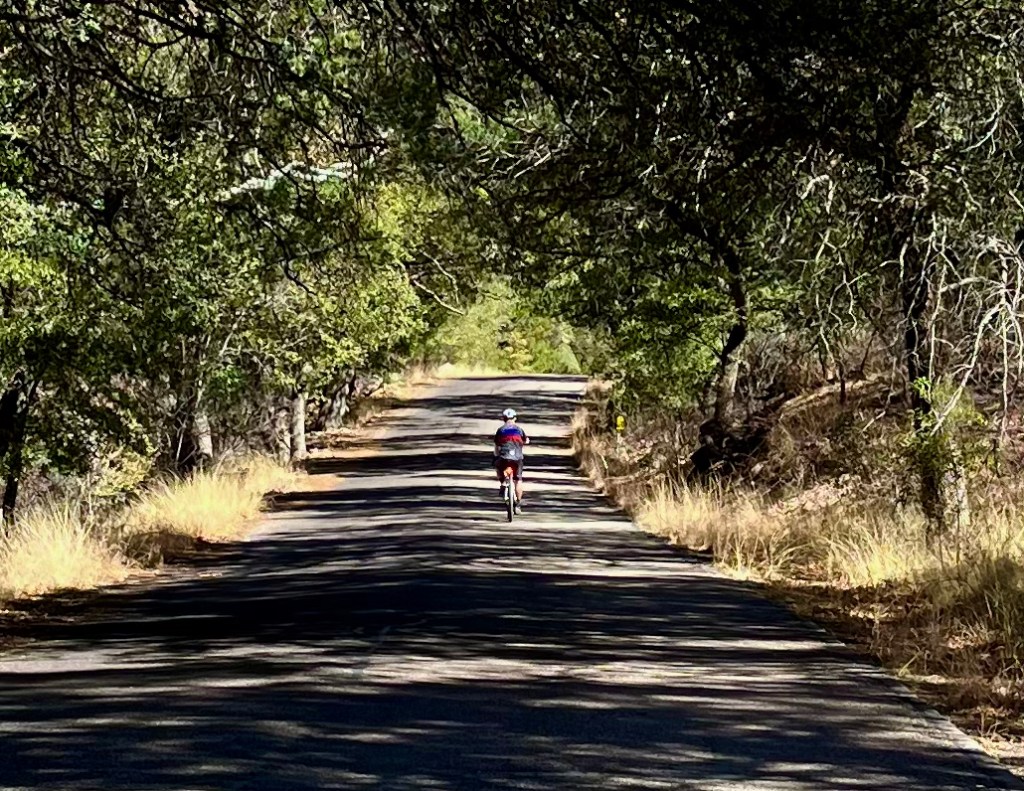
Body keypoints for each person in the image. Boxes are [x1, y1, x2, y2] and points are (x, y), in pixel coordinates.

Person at [494, 408, 529, 512]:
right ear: (515, 418)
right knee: (518, 480)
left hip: (504, 457)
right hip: (517, 458)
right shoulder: (519, 430)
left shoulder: (500, 430)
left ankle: (503, 482)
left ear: (504, 419)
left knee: (498, 465)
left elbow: (496, 446)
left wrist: (496, 456)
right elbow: (525, 440)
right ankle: (518, 505)